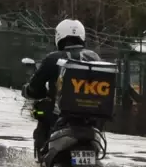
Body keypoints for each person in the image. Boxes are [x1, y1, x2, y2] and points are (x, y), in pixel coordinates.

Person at [23, 19, 101, 159]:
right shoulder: (94, 57)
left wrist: (29, 90)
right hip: (89, 120)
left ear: (59, 36)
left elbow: (35, 87)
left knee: (42, 114)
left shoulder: (53, 58)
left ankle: (42, 155)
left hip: (60, 118)